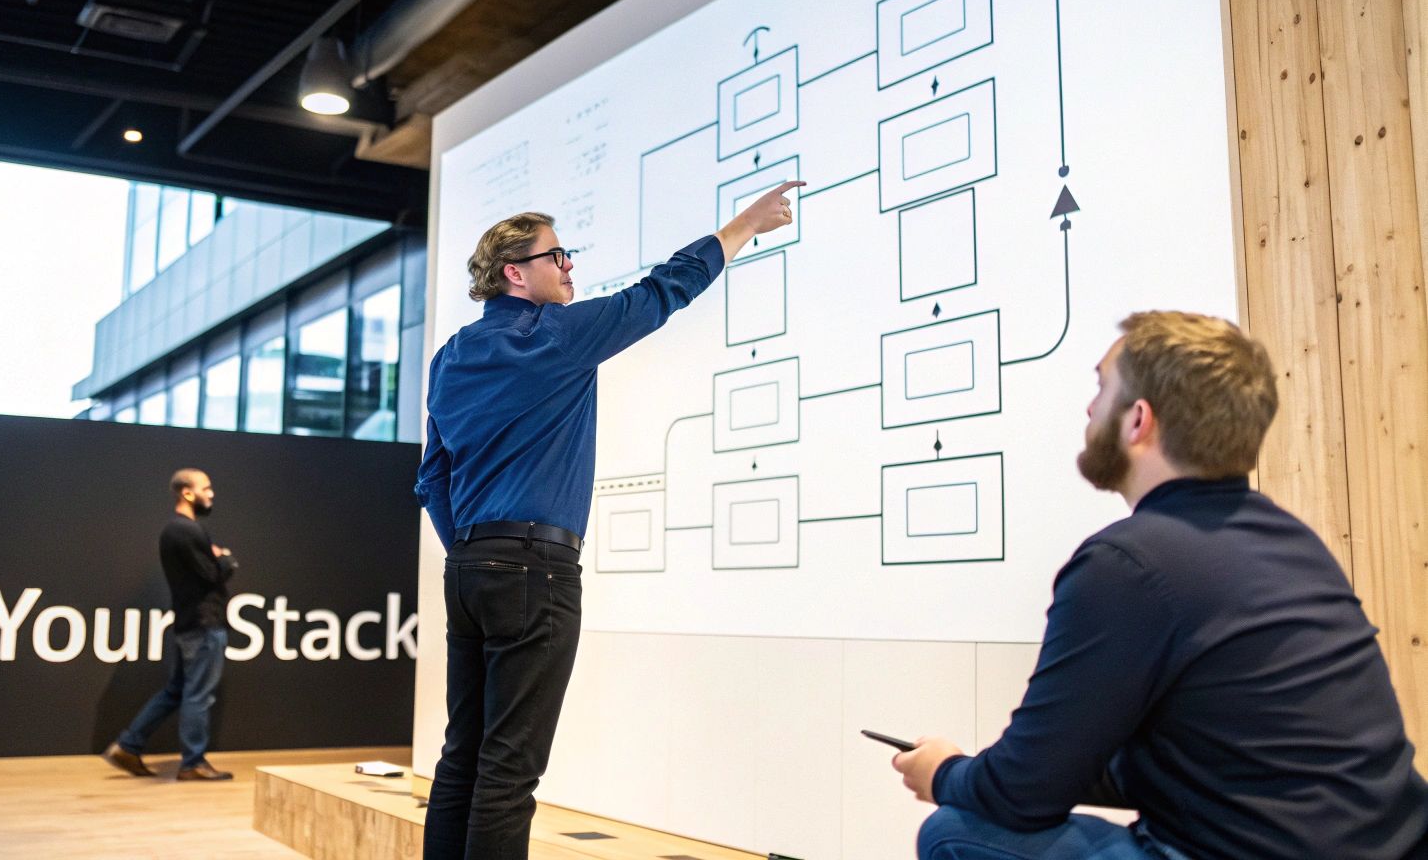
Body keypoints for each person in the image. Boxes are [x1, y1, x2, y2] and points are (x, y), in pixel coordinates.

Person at [892, 311, 1428, 860]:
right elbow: (1209, 762)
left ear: (1138, 420)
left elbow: (1019, 798)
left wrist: (945, 773)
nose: (1089, 406)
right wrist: (1036, 766)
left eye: (1102, 388)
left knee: (953, 830)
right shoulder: (1294, 544)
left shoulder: (1125, 565)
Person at [416, 179, 803, 858]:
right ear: (516, 272)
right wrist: (745, 224)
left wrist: (472, 549)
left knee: (463, 758)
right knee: (508, 770)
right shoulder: (554, 336)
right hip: (537, 570)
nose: (570, 267)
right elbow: (662, 291)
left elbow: (432, 478)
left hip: (469, 571)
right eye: (557, 256)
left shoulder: (450, 356)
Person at [102, 468, 239, 781]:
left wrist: (216, 558)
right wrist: (226, 559)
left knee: (176, 691)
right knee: (198, 694)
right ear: (187, 493)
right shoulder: (188, 531)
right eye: (207, 487)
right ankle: (193, 763)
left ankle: (128, 745)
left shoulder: (174, 531)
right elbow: (212, 575)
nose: (212, 493)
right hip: (204, 623)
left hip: (187, 622)